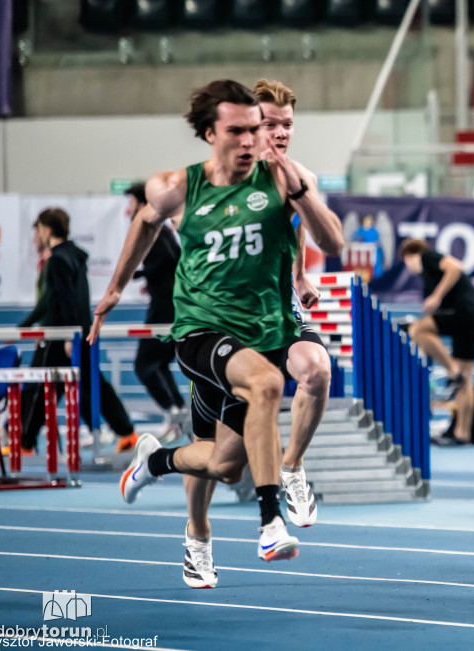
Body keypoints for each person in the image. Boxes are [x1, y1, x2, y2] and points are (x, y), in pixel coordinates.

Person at [90, 79, 343, 567]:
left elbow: (331, 242)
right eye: (241, 131)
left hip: (264, 328)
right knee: (268, 383)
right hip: (200, 331)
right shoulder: (178, 186)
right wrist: (116, 288)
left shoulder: (282, 179)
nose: (253, 141)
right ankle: (270, 523)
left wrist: (302, 191)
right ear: (210, 133)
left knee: (225, 464)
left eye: (258, 130)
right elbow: (144, 224)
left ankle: (154, 460)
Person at [179, 78, 340, 588]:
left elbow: (294, 225)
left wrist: (299, 275)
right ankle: (197, 533)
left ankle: (291, 466)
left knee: (316, 368)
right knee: (219, 458)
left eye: (287, 124)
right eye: (269, 124)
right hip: (218, 327)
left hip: (276, 318)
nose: (278, 133)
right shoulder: (215, 181)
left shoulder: (290, 177)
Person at [18, 208, 140, 453]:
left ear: (47, 230)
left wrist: (65, 336)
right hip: (77, 333)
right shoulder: (74, 257)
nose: (34, 238)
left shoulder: (57, 261)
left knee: (42, 388)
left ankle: (25, 444)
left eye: (38, 231)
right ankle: (127, 433)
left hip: (63, 336)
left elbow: (66, 301)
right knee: (92, 384)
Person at [399, 238, 474, 445]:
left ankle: (451, 370)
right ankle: (462, 434)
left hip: (464, 313)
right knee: (467, 377)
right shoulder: (429, 276)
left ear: (409, 256)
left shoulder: (427, 257)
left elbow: (455, 266)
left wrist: (436, 297)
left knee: (418, 329)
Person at [123, 182, 189, 442]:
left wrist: (137, 273)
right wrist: (150, 279)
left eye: (130, 203)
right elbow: (173, 260)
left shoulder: (153, 228)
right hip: (169, 303)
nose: (127, 210)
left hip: (165, 307)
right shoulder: (161, 229)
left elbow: (167, 260)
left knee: (144, 365)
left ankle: (174, 413)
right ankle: (177, 413)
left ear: (141, 204)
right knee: (158, 363)